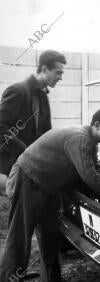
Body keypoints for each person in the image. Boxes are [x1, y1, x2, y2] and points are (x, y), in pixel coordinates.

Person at [0, 107, 100, 282]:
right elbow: (90, 177)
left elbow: (96, 170)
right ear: (96, 125)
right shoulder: (80, 139)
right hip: (28, 179)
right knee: (20, 237)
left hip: (47, 187)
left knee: (50, 235)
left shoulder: (90, 142)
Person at [0, 49, 67, 194]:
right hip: (10, 170)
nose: (60, 77)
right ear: (44, 69)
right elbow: (1, 127)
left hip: (29, 169)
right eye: (58, 72)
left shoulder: (42, 94)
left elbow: (45, 132)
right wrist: (26, 152)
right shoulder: (18, 90)